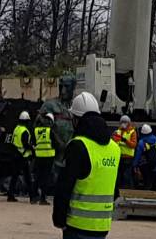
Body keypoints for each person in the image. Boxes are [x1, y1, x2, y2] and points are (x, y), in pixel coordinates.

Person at [52, 93, 120, 239]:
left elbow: (64, 186)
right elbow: (115, 189)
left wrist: (59, 219)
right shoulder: (115, 148)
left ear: (76, 119)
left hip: (77, 226)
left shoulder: (77, 146)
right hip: (102, 227)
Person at [4, 111, 32, 202]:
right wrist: (32, 148)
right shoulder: (25, 131)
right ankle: (33, 196)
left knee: (14, 176)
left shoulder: (16, 128)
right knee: (28, 178)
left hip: (15, 155)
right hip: (23, 156)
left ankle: (10, 195)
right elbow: (25, 144)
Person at [31, 112, 56, 199]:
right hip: (48, 157)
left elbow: (33, 142)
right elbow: (56, 143)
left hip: (38, 157)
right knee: (46, 178)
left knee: (37, 177)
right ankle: (42, 198)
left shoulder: (36, 130)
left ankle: (34, 197)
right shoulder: (50, 131)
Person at [132, 127, 156, 193]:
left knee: (146, 178)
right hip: (155, 163)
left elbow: (138, 155)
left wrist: (135, 165)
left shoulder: (141, 142)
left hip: (145, 164)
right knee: (154, 178)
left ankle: (147, 190)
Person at [114, 118, 137, 190]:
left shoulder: (132, 132)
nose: (123, 123)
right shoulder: (118, 131)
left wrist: (124, 140)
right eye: (122, 122)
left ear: (128, 123)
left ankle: (129, 189)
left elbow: (133, 144)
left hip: (128, 157)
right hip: (119, 156)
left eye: (125, 122)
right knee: (119, 175)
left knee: (127, 175)